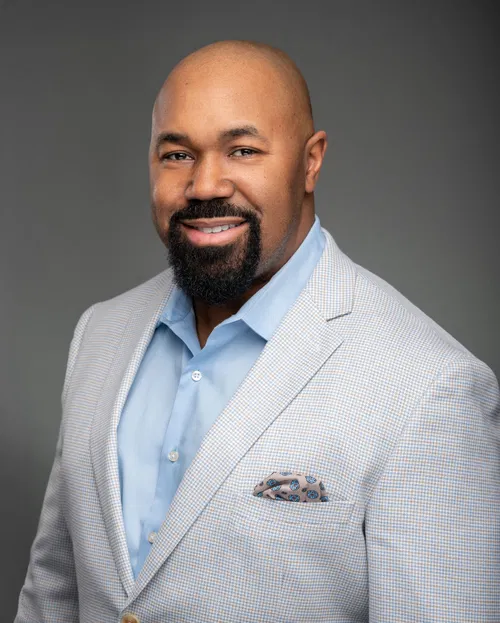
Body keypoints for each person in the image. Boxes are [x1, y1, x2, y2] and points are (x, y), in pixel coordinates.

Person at [16, 39, 500, 623]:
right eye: (177, 154)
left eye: (242, 150)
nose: (205, 185)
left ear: (311, 161)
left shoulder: (430, 386)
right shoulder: (100, 333)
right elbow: (52, 592)